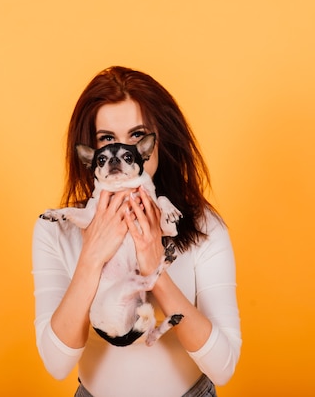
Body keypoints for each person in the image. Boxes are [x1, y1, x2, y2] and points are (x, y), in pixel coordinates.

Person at [32, 66, 241, 397]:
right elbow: (56, 364)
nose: (120, 151)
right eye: (106, 139)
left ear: (155, 144)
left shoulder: (202, 225)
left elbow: (223, 367)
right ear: (91, 152)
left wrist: (155, 271)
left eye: (137, 134)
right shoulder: (57, 229)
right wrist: (91, 258)